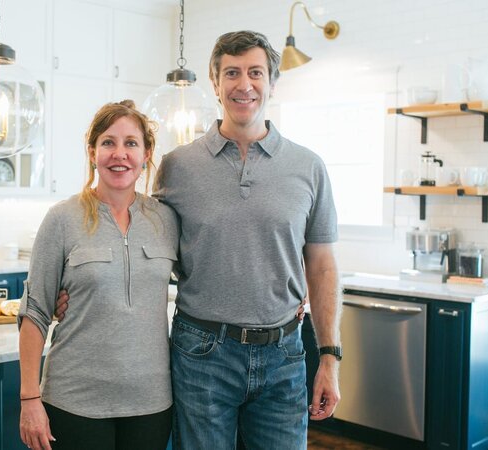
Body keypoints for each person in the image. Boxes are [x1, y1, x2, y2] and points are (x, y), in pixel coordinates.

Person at [152, 30, 342, 449]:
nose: (244, 84)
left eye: (255, 72)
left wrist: (330, 356)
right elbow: (149, 253)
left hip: (284, 354)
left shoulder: (308, 166)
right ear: (215, 82)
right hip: (201, 354)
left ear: (272, 82)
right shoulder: (176, 167)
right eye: (232, 73)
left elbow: (323, 266)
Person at [17, 100, 179, 450]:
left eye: (131, 143)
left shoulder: (165, 220)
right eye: (108, 142)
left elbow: (204, 277)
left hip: (151, 401)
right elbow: (35, 311)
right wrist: (29, 399)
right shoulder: (62, 219)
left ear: (146, 154)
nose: (119, 154)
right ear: (92, 152)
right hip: (75, 400)